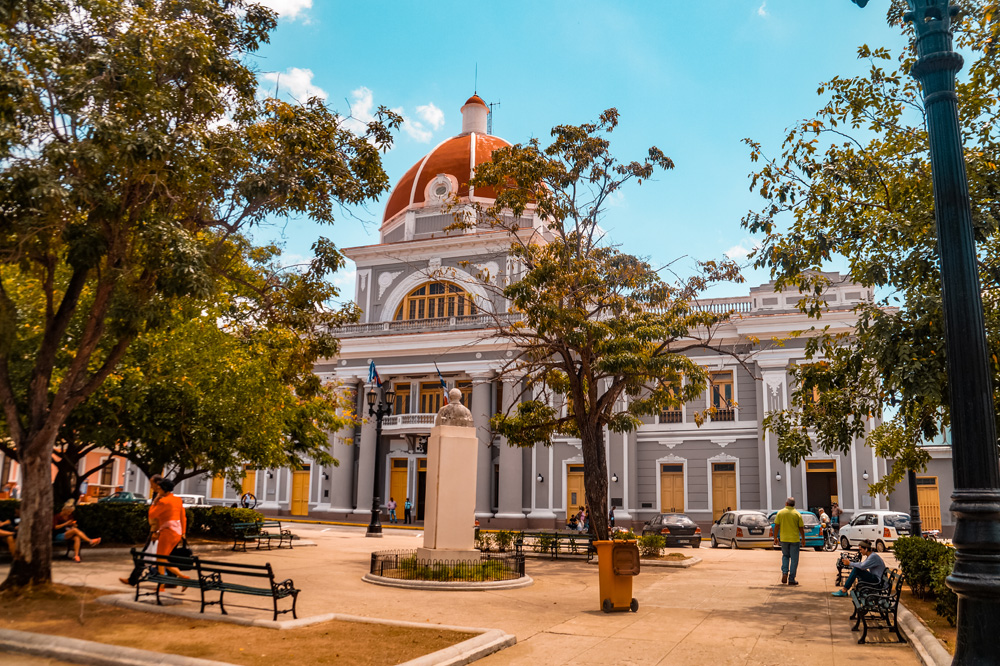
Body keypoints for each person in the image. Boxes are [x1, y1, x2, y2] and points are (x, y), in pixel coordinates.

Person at [147, 476, 189, 587]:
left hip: (167, 532)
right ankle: (175, 579)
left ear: (164, 490)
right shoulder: (177, 500)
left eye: (159, 489)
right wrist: (183, 533)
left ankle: (175, 579)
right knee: (162, 558)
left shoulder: (163, 501)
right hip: (177, 532)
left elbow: (152, 514)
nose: (158, 491)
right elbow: (183, 517)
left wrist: (154, 502)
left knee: (160, 559)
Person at [772, 496, 806, 585]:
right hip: (794, 539)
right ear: (793, 505)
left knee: (785, 556)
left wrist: (775, 537)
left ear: (786, 503)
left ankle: (784, 572)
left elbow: (776, 526)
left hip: (784, 539)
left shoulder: (780, 513)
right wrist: (803, 538)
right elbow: (801, 528)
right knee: (794, 559)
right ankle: (791, 579)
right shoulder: (797, 514)